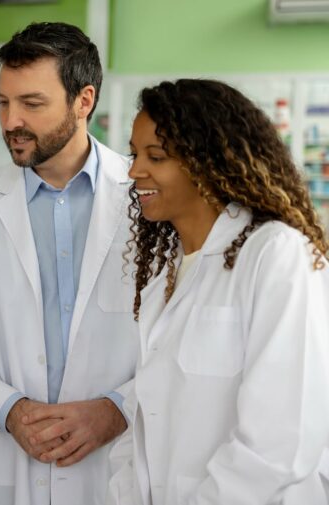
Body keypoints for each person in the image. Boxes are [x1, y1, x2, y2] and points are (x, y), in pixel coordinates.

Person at [0, 22, 138, 505]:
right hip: (6, 465)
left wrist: (118, 409)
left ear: (84, 101)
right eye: (4, 102)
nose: (10, 121)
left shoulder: (145, 202)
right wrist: (9, 409)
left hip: (116, 466)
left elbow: (177, 335)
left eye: (32, 104)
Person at [106, 78, 329, 505]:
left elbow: (280, 440)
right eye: (135, 154)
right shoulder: (165, 279)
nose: (134, 170)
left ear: (208, 161)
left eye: (157, 156)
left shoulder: (275, 254)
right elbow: (144, 423)